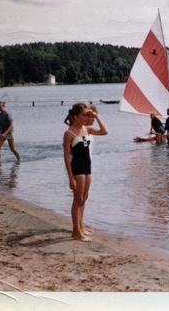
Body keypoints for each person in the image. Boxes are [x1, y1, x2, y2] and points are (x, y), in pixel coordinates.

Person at [63, 102, 108, 242]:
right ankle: (76, 231)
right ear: (75, 117)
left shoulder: (87, 129)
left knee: (84, 198)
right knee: (78, 199)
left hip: (88, 167)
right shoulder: (69, 133)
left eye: (86, 115)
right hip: (77, 168)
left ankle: (81, 227)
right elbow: (66, 156)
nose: (85, 117)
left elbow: (104, 131)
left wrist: (96, 116)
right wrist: (70, 178)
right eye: (83, 115)